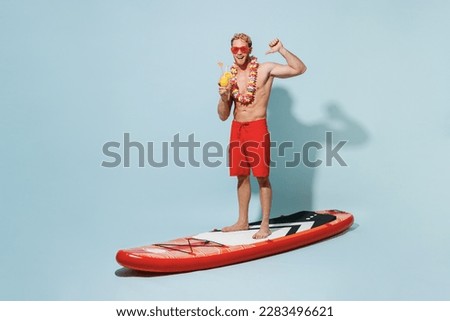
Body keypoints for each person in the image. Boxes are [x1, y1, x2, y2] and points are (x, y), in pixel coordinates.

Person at [217, 33, 307, 239]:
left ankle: (265, 225)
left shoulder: (265, 69)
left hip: (257, 126)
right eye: (235, 49)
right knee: (241, 176)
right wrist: (223, 98)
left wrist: (282, 50)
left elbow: (299, 69)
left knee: (262, 176)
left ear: (249, 49)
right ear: (231, 51)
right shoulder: (228, 77)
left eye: (243, 48)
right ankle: (242, 221)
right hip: (236, 127)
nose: (239, 53)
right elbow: (223, 115)